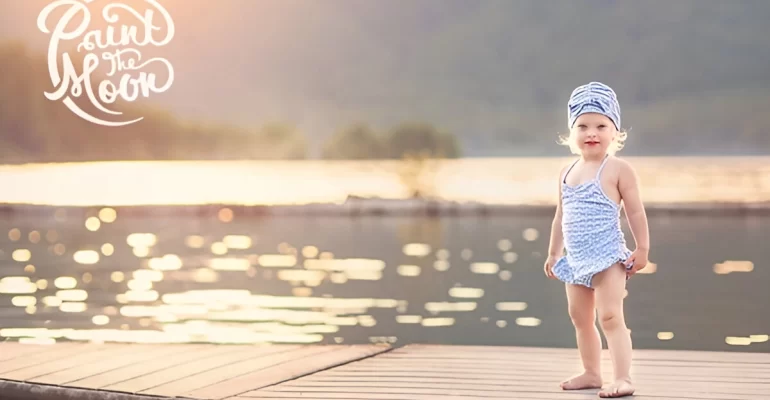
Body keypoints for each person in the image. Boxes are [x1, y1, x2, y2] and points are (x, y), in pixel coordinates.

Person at [544, 81, 650, 398]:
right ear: (571, 133)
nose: (592, 132)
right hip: (575, 260)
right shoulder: (567, 171)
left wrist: (642, 247)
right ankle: (592, 372)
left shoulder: (618, 169)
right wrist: (553, 253)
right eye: (583, 126)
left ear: (614, 132)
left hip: (608, 258)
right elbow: (561, 217)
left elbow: (635, 212)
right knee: (579, 317)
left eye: (601, 125)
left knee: (610, 316)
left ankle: (623, 377)